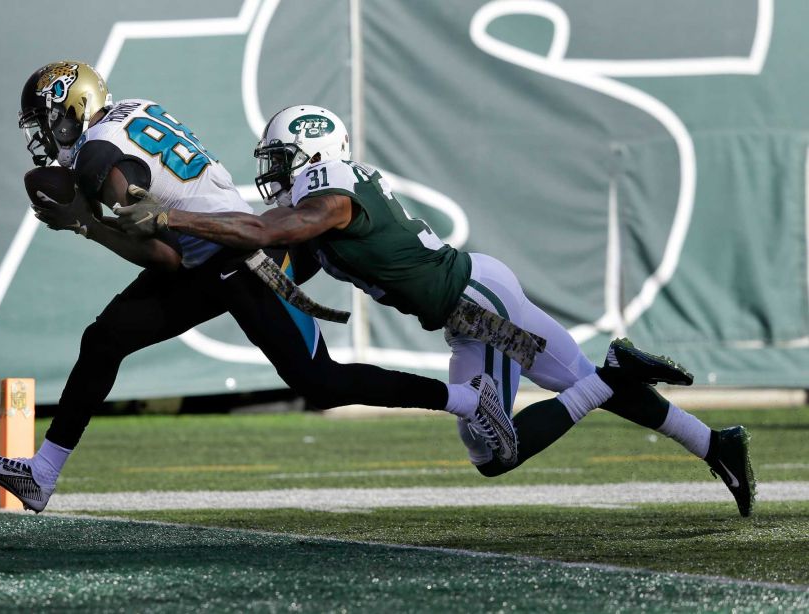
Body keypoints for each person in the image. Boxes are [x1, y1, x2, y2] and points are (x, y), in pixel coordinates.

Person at [115, 104, 756, 517]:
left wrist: (170, 215)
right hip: (470, 312)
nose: (274, 173)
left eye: (281, 160)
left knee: (501, 449)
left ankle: (617, 374)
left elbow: (273, 233)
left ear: (310, 156)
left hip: (480, 304)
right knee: (546, 403)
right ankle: (713, 442)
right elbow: (290, 257)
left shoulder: (330, 196)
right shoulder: (328, 197)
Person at [0, 61, 549, 513]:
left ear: (72, 109)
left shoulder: (98, 153)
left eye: (48, 119)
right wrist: (92, 219)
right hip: (213, 257)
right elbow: (168, 250)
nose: (44, 134)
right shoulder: (130, 113)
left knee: (320, 382)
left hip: (241, 258)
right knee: (105, 339)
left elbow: (162, 249)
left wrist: (89, 221)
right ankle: (42, 475)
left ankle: (473, 400)